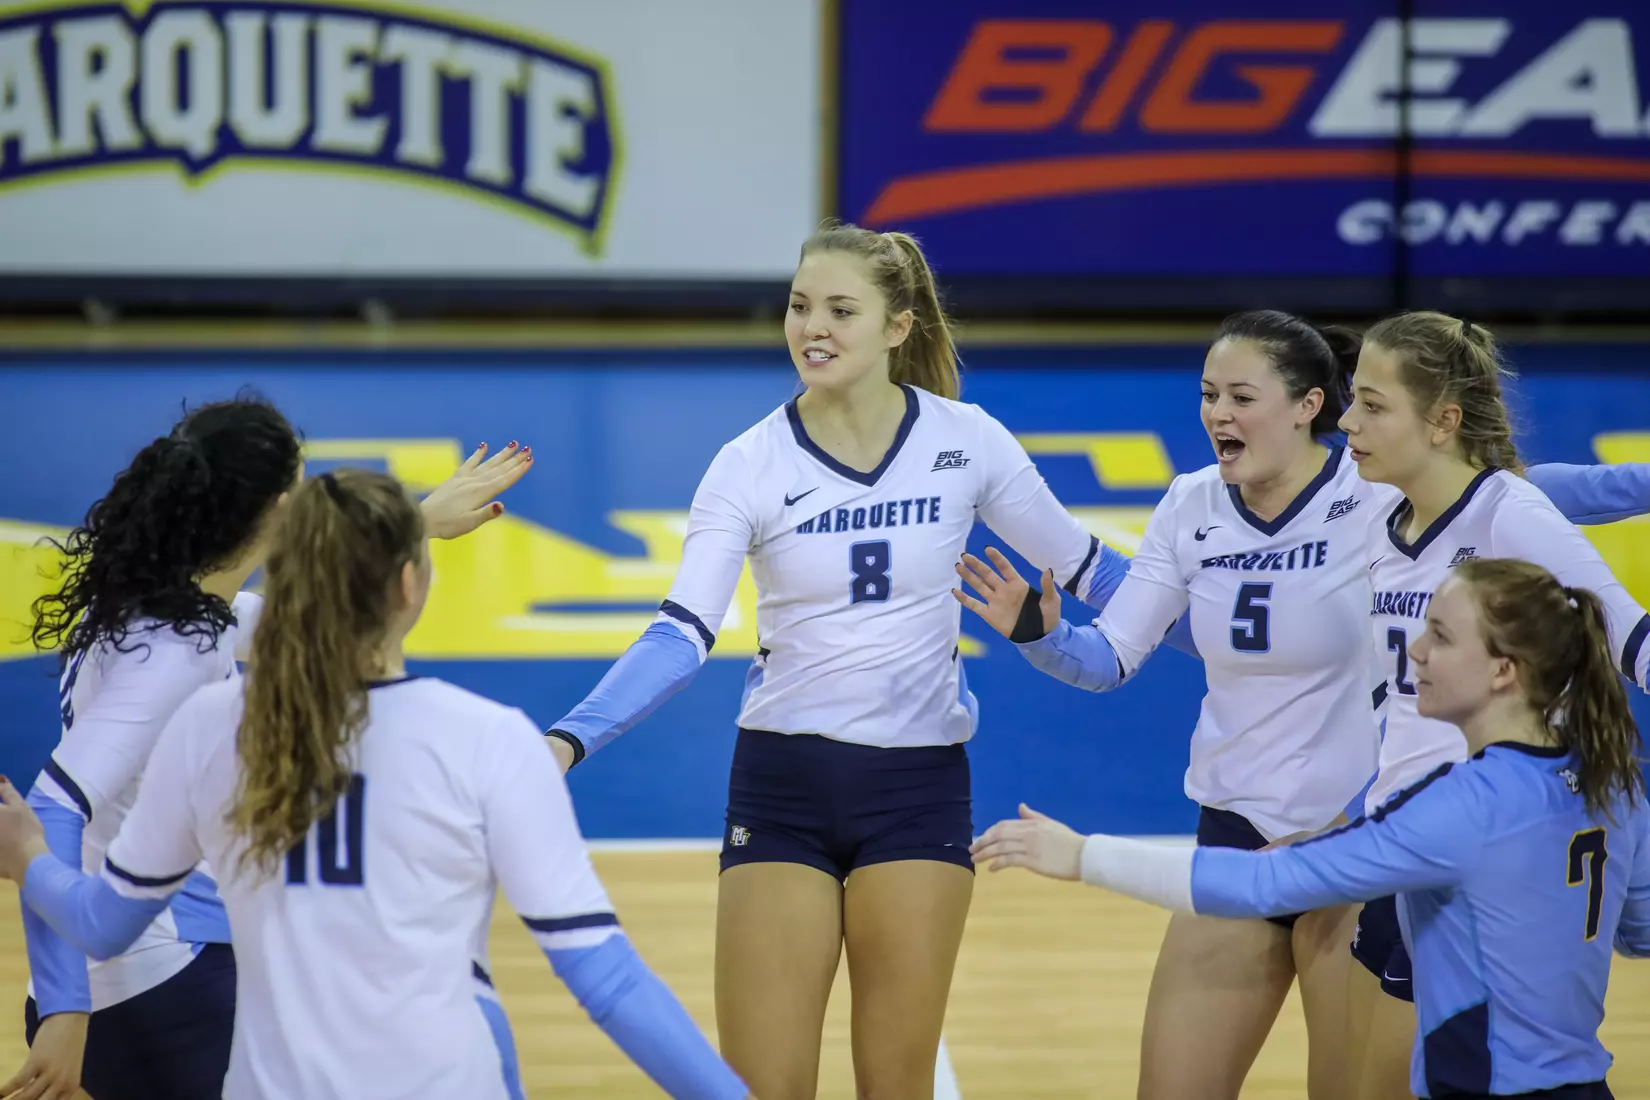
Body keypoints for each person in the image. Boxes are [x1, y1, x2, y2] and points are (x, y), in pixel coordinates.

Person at [949, 310, 1650, 1100]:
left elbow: (1532, 499)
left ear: (1306, 405)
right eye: (1208, 393)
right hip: (1260, 833)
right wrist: (1039, 635)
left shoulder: (1384, 495)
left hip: (1377, 847)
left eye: (1240, 395)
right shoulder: (1214, 506)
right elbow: (1117, 653)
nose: (1218, 412)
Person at [540, 221, 1143, 1100]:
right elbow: (679, 632)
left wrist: (1230, 597)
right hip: (782, 787)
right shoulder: (747, 463)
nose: (811, 327)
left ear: (899, 326)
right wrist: (567, 740)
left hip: (918, 791)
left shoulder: (967, 441)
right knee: (764, 1086)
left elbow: (1096, 573)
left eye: (840, 310)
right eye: (798, 306)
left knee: (895, 1086)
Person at [0, 468, 750, 1100]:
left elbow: (101, 924)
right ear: (411, 586)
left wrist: (30, 855)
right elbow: (609, 982)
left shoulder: (207, 726)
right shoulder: (490, 741)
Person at [972, 557, 1650, 1100]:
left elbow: (1265, 884)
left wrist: (1083, 856)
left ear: (1505, 671)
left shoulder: (1460, 808)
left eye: (1440, 635)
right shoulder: (1615, 780)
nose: (1414, 652)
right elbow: (1638, 932)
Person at [12, 397, 531, 1100]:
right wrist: (65, 1010)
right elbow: (51, 810)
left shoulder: (162, 601)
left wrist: (414, 524)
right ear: (283, 510)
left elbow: (307, 623)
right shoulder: (177, 656)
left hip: (145, 969)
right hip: (155, 983)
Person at [1335, 312, 1650, 1097]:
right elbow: (1401, 706)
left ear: (1443, 421)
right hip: (1406, 847)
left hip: (1483, 862)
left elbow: (1629, 637)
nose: (1348, 422)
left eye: (1373, 406)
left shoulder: (1510, 514)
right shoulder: (1388, 520)